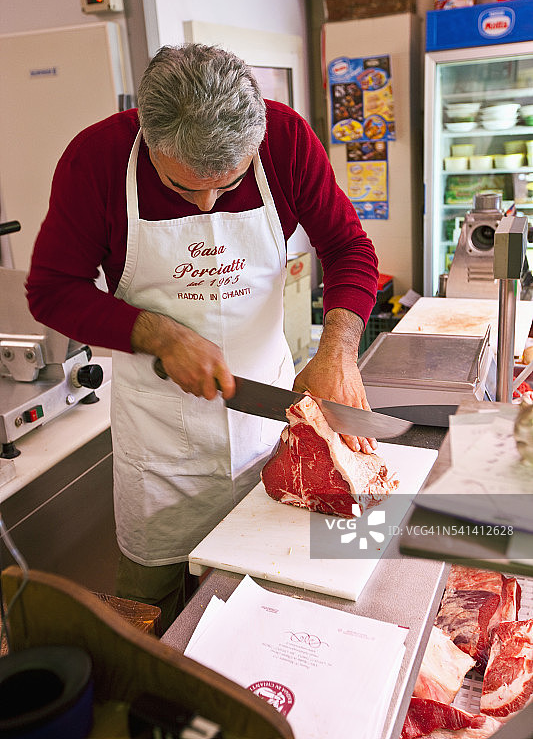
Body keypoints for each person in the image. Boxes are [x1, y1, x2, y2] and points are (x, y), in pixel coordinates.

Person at [26, 43, 379, 631]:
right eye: (185, 188)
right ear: (149, 136)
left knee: (277, 598)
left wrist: (338, 351)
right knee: (155, 616)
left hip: (274, 428)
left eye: (229, 183)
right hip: (162, 445)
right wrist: (154, 332)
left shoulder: (287, 140)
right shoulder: (98, 160)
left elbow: (349, 250)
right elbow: (53, 289)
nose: (210, 202)